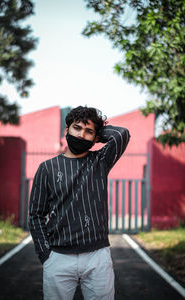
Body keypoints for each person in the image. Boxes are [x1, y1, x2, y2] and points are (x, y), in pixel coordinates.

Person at [28, 106, 130, 300]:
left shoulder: (100, 161)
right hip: (58, 257)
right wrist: (45, 255)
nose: (81, 135)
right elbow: (35, 215)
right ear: (66, 130)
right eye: (77, 128)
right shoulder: (47, 168)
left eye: (88, 131)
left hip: (97, 256)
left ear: (95, 137)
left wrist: (98, 133)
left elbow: (121, 134)